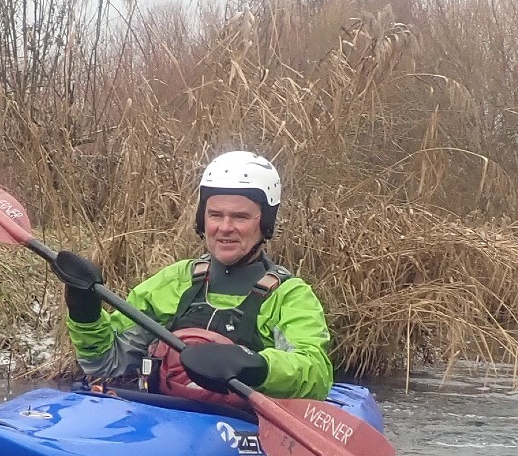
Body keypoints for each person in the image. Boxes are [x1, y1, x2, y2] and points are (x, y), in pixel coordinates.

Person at [56, 151, 336, 403]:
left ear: (264, 223)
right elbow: (105, 362)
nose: (225, 227)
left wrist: (256, 366)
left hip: (241, 423)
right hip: (167, 420)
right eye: (215, 215)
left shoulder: (290, 296)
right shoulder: (176, 281)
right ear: (203, 219)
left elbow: (316, 376)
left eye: (240, 217)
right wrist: (84, 311)